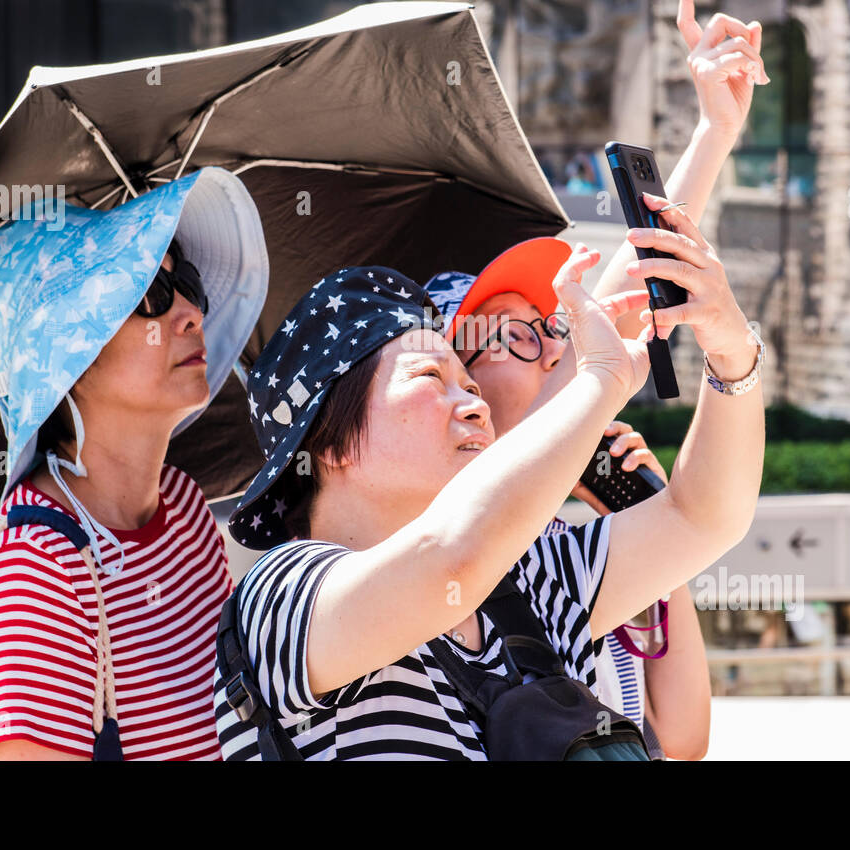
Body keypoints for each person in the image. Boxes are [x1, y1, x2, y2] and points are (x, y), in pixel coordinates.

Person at [212, 243, 763, 759]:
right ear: (328, 441)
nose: (474, 406)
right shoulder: (280, 595)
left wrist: (732, 352)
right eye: (430, 376)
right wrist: (599, 380)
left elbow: (703, 514)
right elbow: (450, 559)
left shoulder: (524, 581)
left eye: (470, 386)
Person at [415, 0, 770, 759]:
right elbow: (617, 312)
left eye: (552, 327)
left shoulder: (568, 554)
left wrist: (646, 523)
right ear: (451, 388)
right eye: (513, 337)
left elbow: (680, 741)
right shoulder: (431, 557)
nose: (553, 346)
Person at [0, 167, 268, 760]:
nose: (193, 313)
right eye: (150, 294)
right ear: (69, 357)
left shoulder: (184, 508)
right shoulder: (29, 571)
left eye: (189, 282)